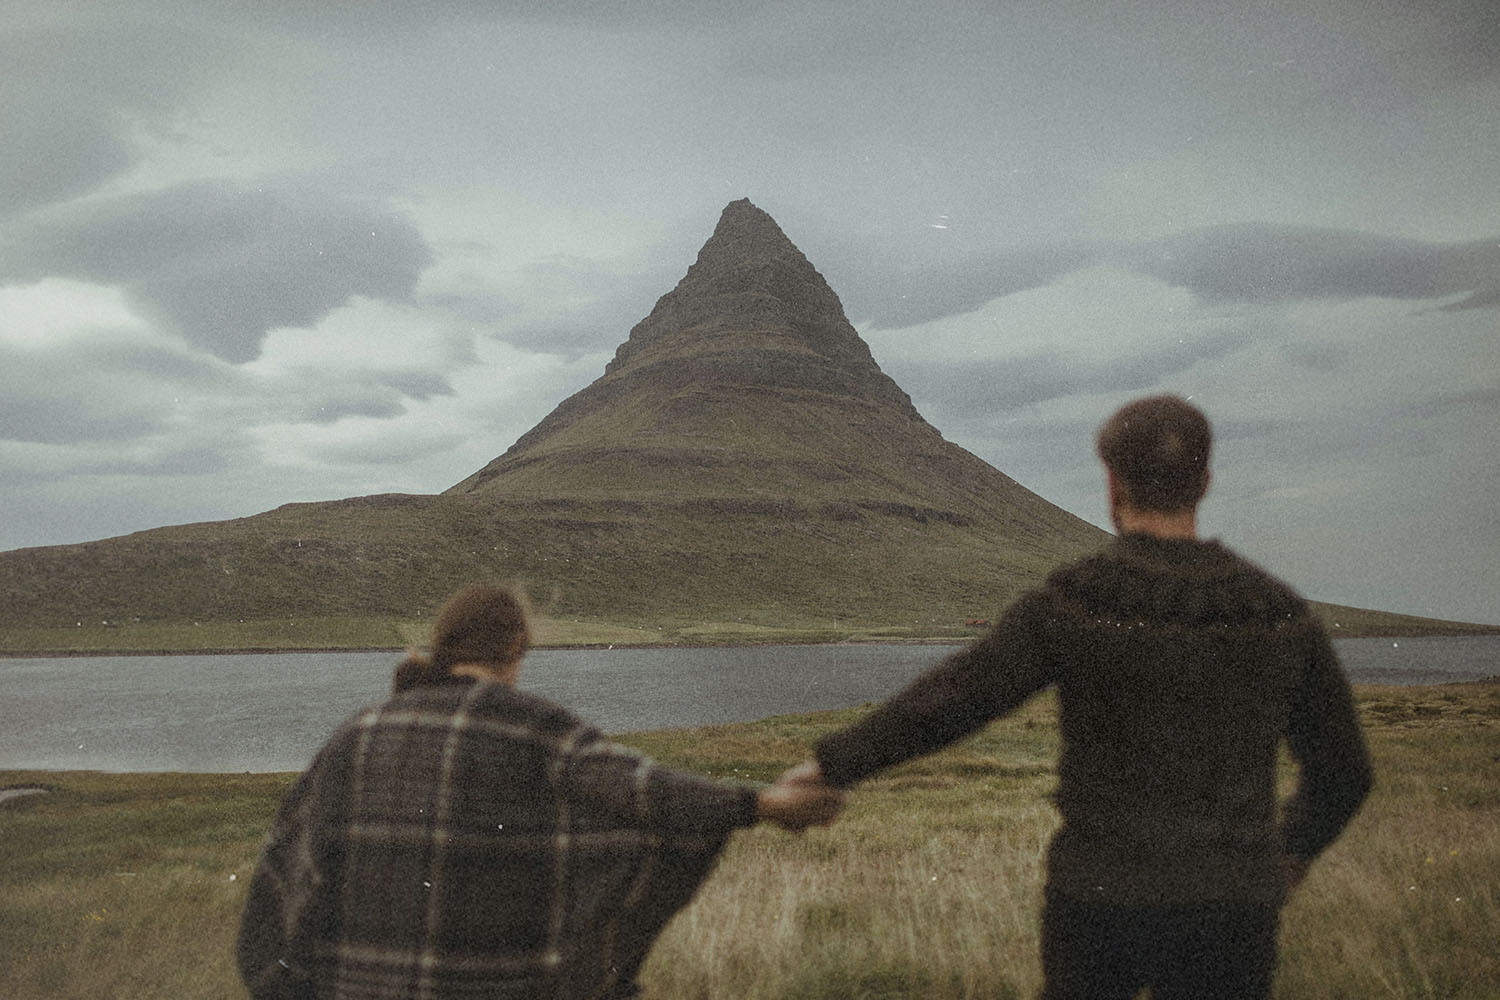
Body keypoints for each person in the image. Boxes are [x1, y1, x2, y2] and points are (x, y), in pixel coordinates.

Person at [789, 394, 1373, 999]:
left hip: (1098, 899)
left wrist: (828, 767)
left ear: (1113, 482)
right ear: (1204, 481)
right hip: (1233, 905)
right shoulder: (1278, 612)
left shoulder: (1079, 600)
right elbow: (1345, 773)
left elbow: (953, 700)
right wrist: (1288, 858)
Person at [238, 583, 841, 1000]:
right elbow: (645, 793)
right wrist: (765, 804)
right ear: (514, 649)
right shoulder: (537, 729)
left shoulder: (356, 734)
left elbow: (287, 876)